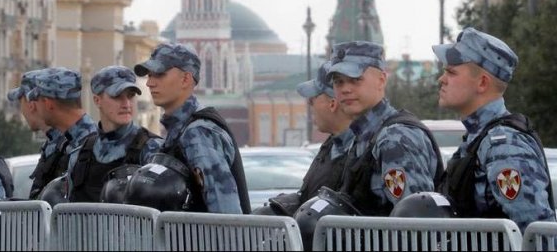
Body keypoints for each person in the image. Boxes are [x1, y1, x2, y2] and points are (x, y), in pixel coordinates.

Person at [433, 27, 556, 232]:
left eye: (451, 72)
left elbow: (537, 236)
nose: (442, 79)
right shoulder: (478, 138)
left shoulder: (504, 146)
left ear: (482, 83)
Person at [327, 41, 443, 216]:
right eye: (338, 82)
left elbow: (417, 221)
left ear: (381, 80)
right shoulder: (364, 136)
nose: (345, 89)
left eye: (355, 80)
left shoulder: (395, 138)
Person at [132, 42, 251, 214]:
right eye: (149, 75)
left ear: (186, 79)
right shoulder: (180, 130)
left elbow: (226, 216)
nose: (150, 83)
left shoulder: (198, 133)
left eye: (159, 74)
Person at [254, 60, 354, 216]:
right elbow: (311, 198)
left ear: (332, 104)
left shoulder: (363, 150)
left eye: (313, 99)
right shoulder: (333, 146)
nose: (309, 104)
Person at [68, 65, 164, 202]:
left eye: (131, 96)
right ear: (97, 100)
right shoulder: (80, 155)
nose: (126, 104)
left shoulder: (152, 149)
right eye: (117, 96)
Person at [26, 67, 98, 200]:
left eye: (38, 101)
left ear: (48, 104)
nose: (34, 107)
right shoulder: (67, 141)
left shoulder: (91, 146)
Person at [7, 69, 69, 200]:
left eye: (20, 101)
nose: (21, 109)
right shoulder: (54, 144)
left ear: (31, 105)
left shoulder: (68, 145)